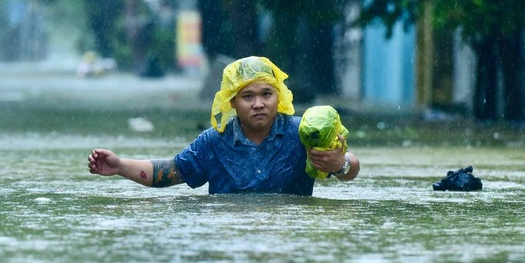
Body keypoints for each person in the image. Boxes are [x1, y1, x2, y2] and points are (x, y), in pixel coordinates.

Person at [87, 56, 360, 195]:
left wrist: (339, 164)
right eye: (247, 96)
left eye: (266, 94)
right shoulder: (214, 142)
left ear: (279, 96)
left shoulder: (302, 132)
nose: (258, 104)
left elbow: (351, 167)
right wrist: (120, 165)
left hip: (287, 241)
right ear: (232, 102)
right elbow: (171, 172)